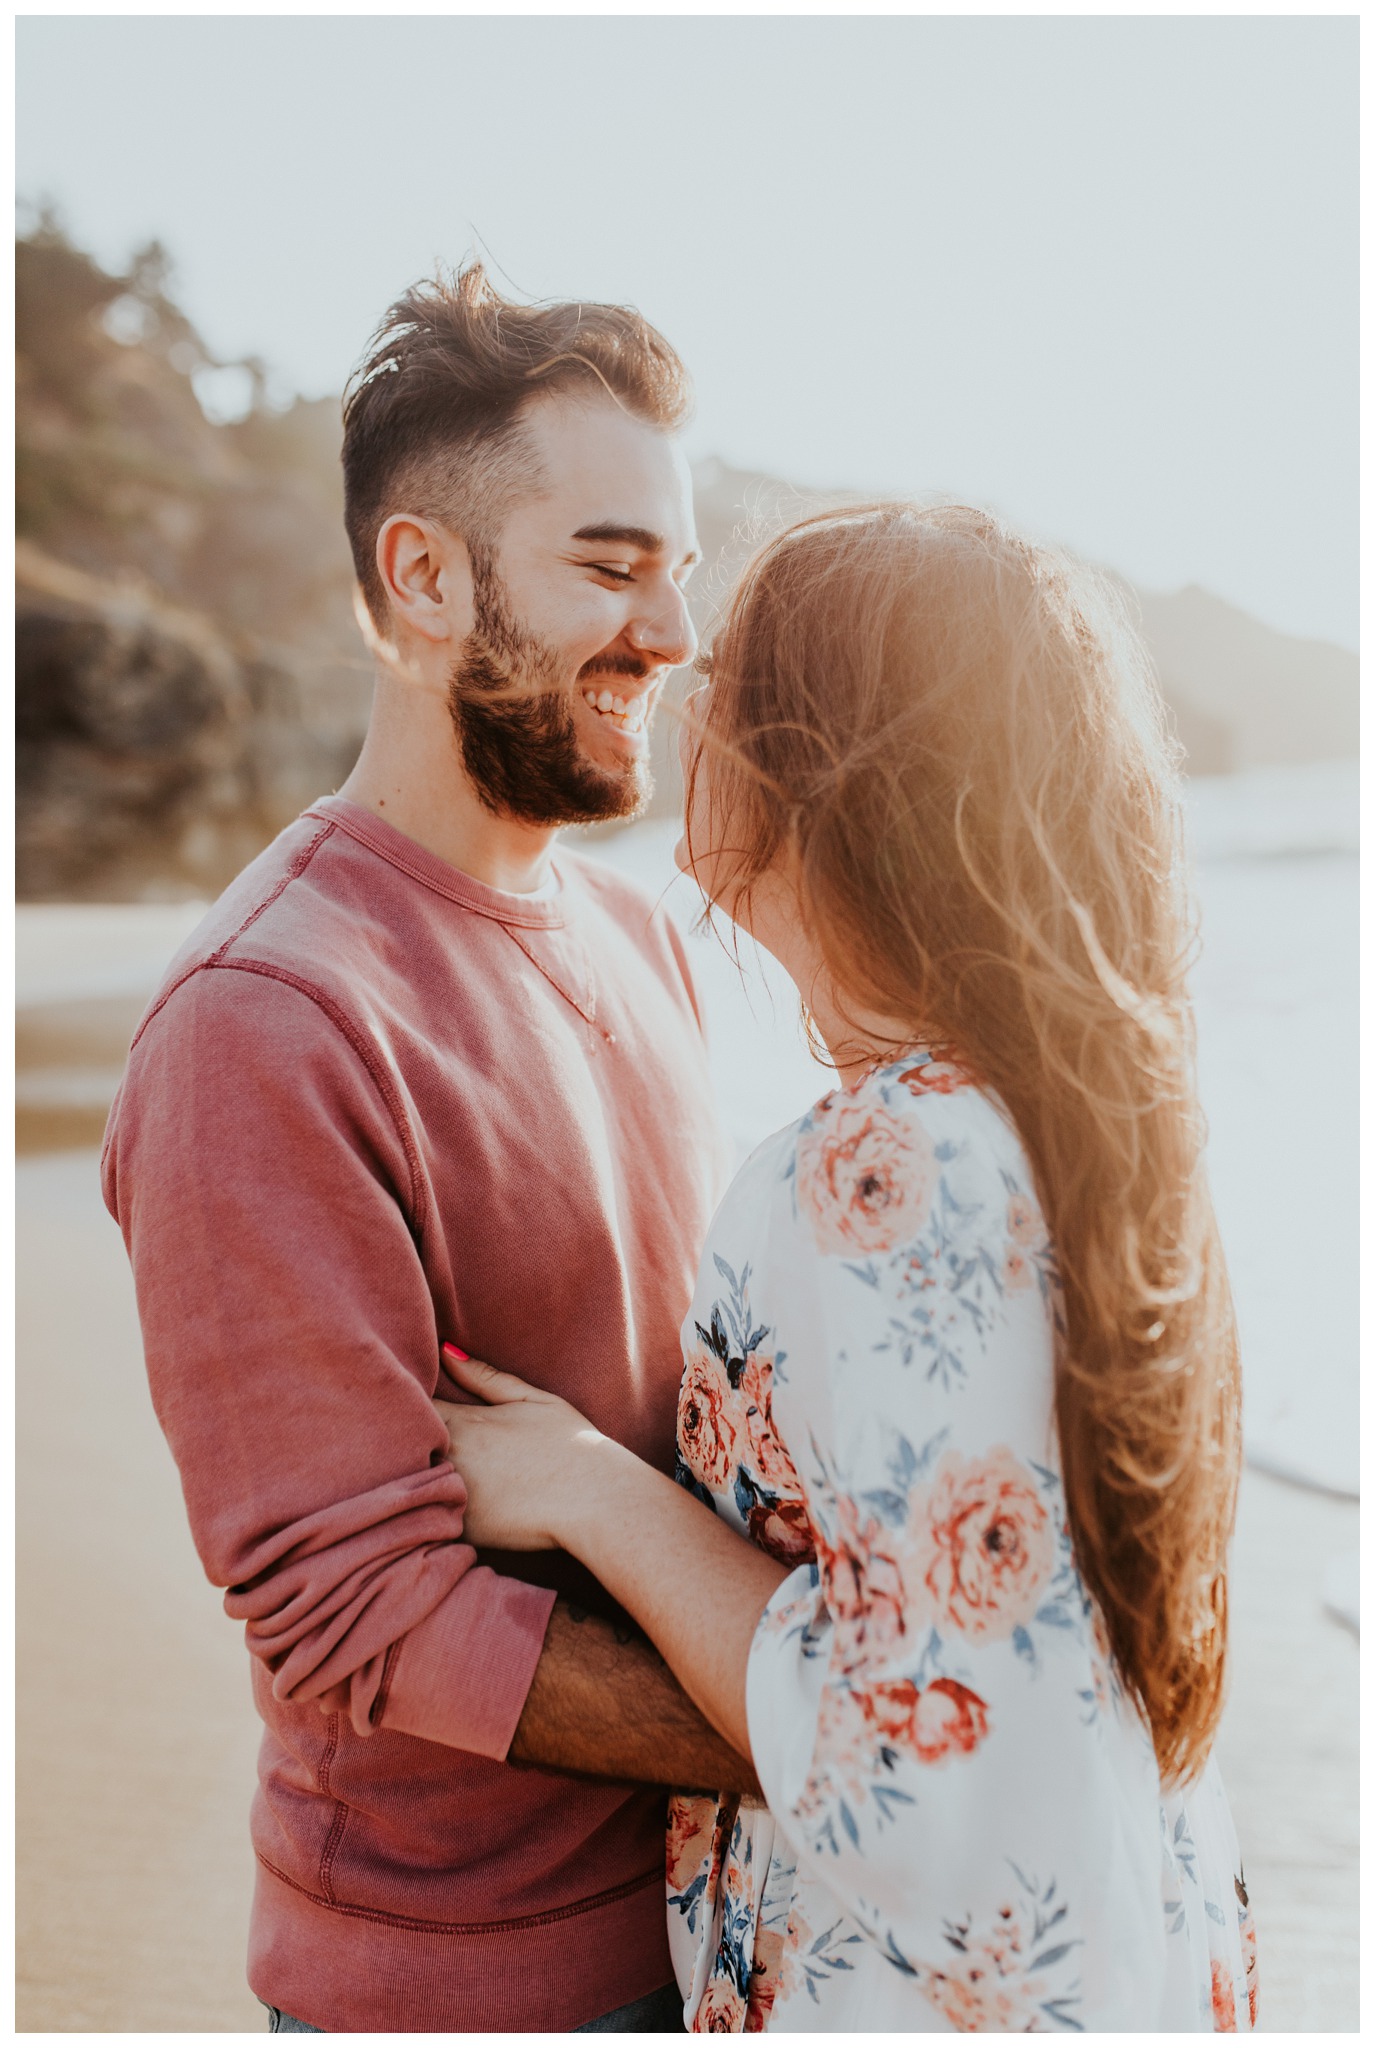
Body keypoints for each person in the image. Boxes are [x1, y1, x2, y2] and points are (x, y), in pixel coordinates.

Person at [434, 503, 1260, 2032]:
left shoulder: (886, 1167)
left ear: (827, 768)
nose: (683, 688)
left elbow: (927, 1757)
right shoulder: (1075, 1124)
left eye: (734, 678)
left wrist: (586, 1492)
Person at [101, 265, 748, 2033]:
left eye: (677, 571)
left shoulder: (646, 937)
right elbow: (355, 1612)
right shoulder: (264, 1021)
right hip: (459, 1992)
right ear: (424, 578)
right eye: (612, 567)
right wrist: (811, 1713)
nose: (672, 634)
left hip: (736, 1932)